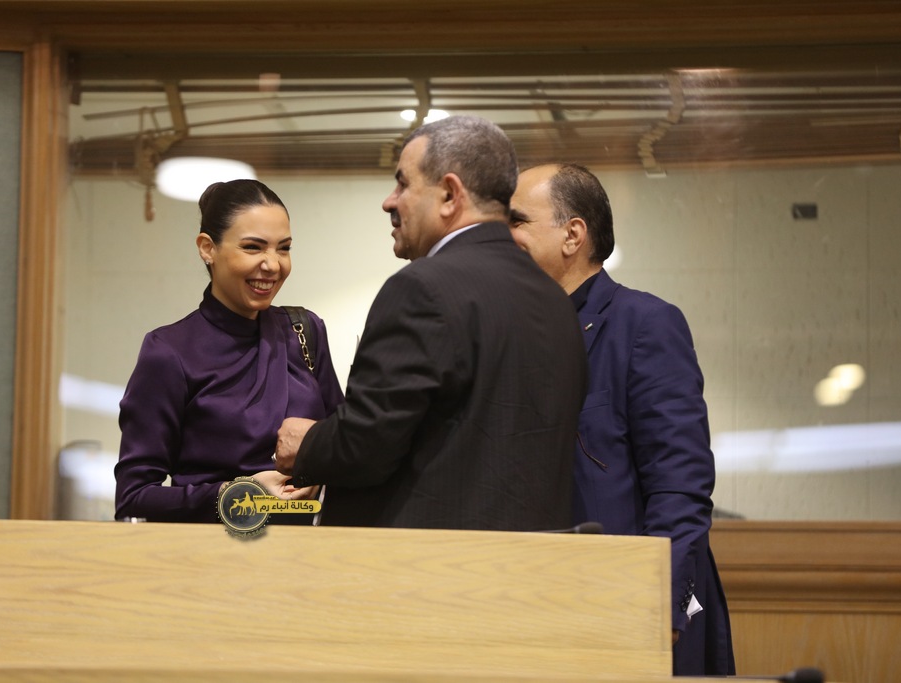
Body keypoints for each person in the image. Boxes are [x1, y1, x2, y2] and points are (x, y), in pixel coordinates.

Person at [273, 115, 587, 531]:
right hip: (527, 560)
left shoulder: (422, 288)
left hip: (426, 562)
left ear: (450, 195)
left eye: (403, 184)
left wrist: (307, 445)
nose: (389, 202)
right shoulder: (556, 301)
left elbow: (368, 445)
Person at [509, 163, 735, 675]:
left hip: (631, 610)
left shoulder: (644, 323)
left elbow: (680, 483)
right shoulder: (514, 335)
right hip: (540, 604)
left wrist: (660, 604)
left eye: (517, 221)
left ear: (572, 235)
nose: (503, 236)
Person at [115, 179, 344, 523]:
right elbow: (133, 499)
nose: (273, 265)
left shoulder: (304, 331)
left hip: (306, 549)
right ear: (207, 248)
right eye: (253, 247)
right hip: (214, 552)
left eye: (283, 248)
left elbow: (345, 449)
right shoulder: (169, 352)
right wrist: (237, 494)